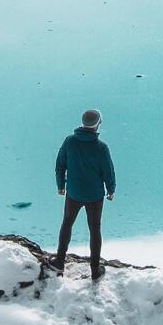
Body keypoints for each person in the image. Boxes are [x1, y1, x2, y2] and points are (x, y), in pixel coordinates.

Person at [52, 109, 116, 279]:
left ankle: (59, 262)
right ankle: (95, 270)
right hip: (95, 196)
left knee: (67, 223)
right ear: (97, 125)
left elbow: (60, 165)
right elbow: (108, 172)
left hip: (73, 193)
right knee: (95, 229)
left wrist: (61, 185)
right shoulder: (102, 148)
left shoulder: (70, 142)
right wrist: (111, 190)